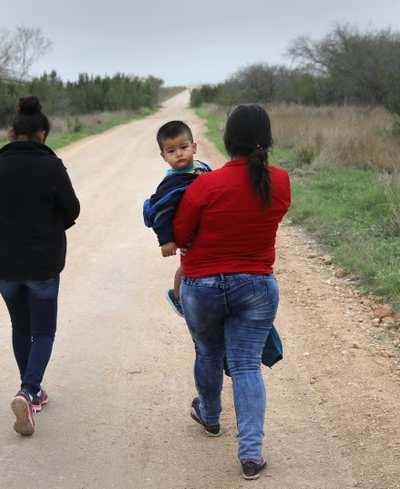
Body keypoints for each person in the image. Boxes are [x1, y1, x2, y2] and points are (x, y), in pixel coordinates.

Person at [172, 104, 291, 480]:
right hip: (257, 286)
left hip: (202, 287)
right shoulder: (281, 181)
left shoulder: (203, 185)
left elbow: (177, 237)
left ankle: (210, 417)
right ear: (267, 140)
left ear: (227, 141)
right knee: (244, 365)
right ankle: (251, 455)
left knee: (207, 352)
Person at [0, 95, 80, 436]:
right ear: (43, 133)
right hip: (42, 263)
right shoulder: (52, 166)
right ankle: (29, 391)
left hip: (4, 265)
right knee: (44, 330)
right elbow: (72, 210)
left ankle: (31, 389)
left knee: (21, 327)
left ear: (11, 131)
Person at [143, 120, 210, 316]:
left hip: (205, 229)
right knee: (186, 266)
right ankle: (178, 297)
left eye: (183, 147)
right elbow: (161, 214)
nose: (179, 154)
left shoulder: (201, 167)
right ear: (163, 156)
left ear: (194, 147)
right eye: (171, 151)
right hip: (188, 234)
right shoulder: (172, 182)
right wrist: (166, 240)